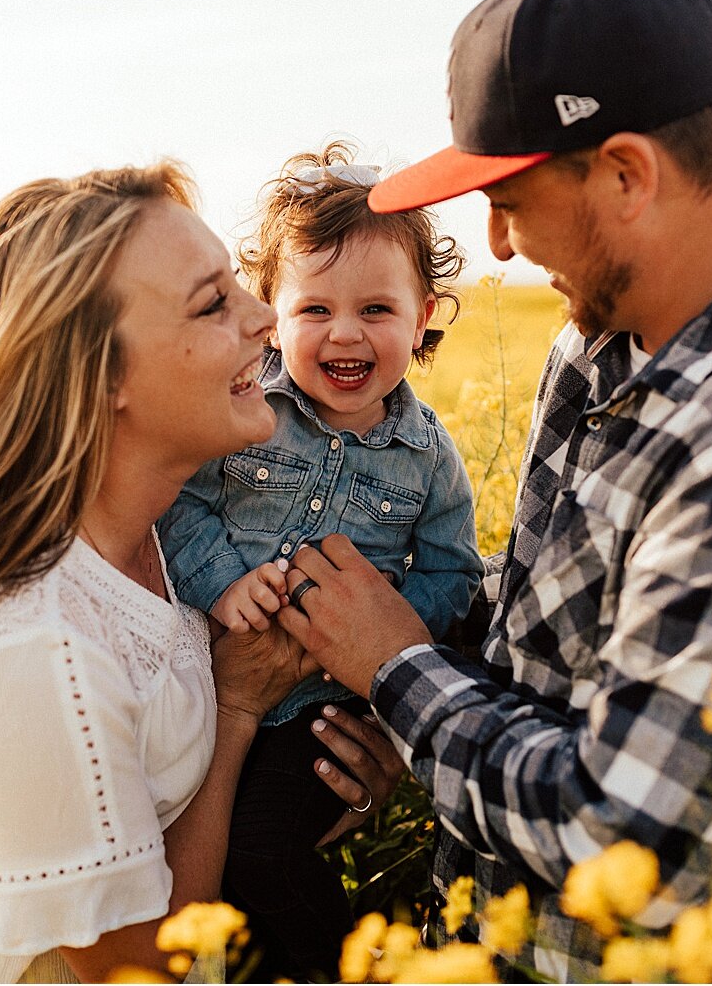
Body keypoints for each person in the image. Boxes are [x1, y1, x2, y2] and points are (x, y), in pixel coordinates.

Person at [271, 0, 712, 980]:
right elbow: (553, 625)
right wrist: (390, 676)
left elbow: (628, 841)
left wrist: (395, 670)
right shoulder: (610, 337)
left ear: (626, 175)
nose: (500, 247)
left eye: (510, 204)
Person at [0, 166, 395, 986]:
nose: (265, 318)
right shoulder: (31, 639)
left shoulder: (168, 535)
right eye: (212, 303)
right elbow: (143, 971)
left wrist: (329, 789)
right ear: (103, 376)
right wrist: (238, 706)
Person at [159, 148, 481, 983]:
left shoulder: (428, 455)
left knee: (264, 851)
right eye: (315, 308)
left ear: (425, 317)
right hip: (211, 690)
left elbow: (454, 573)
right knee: (215, 861)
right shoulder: (247, 412)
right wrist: (225, 582)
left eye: (377, 307)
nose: (345, 332)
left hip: (328, 711)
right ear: (270, 312)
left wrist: (380, 633)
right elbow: (183, 505)